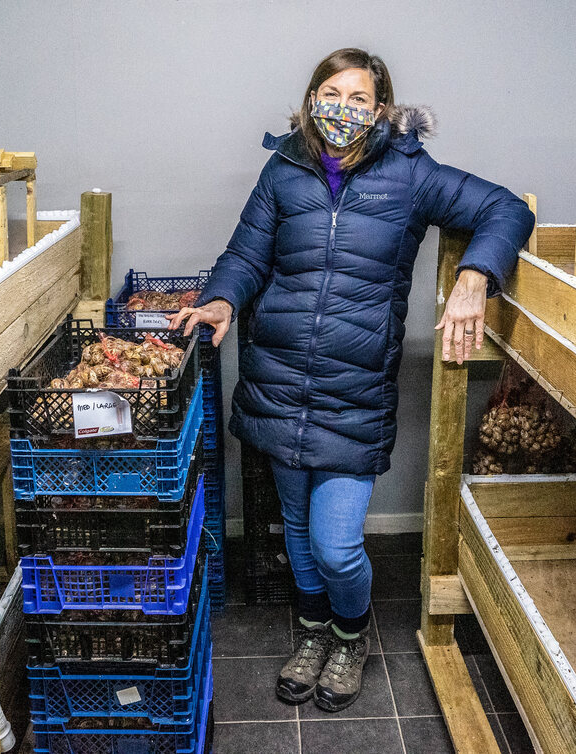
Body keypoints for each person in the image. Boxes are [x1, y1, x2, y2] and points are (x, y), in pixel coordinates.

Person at [170, 47, 534, 712]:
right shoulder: (283, 170)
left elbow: (507, 209)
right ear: (311, 100)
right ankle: (314, 635)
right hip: (278, 381)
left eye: (359, 98)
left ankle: (352, 635)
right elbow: (247, 254)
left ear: (383, 111)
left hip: (354, 391)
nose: (343, 108)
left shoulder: (410, 174)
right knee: (300, 537)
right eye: (331, 93)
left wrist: (475, 277)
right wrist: (222, 296)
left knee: (336, 545)